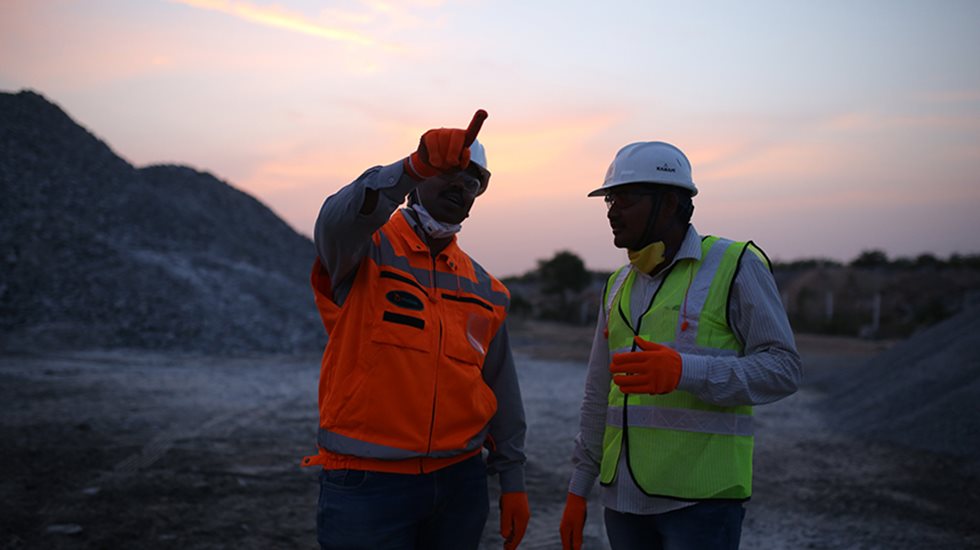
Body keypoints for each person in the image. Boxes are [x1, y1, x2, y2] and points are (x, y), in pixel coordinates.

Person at [558, 141, 802, 550]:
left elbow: (783, 369)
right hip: (623, 503)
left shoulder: (734, 265)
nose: (612, 211)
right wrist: (578, 487)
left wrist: (685, 372)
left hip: (700, 505)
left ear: (669, 203)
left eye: (626, 199)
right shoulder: (618, 284)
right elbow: (598, 392)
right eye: (610, 199)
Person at [303, 112, 530, 550]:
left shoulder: (487, 289)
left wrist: (513, 478)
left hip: (460, 484)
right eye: (449, 172)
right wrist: (410, 167)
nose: (461, 185)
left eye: (473, 181)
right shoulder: (365, 252)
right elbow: (336, 220)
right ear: (422, 180)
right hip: (368, 484)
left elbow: (501, 388)